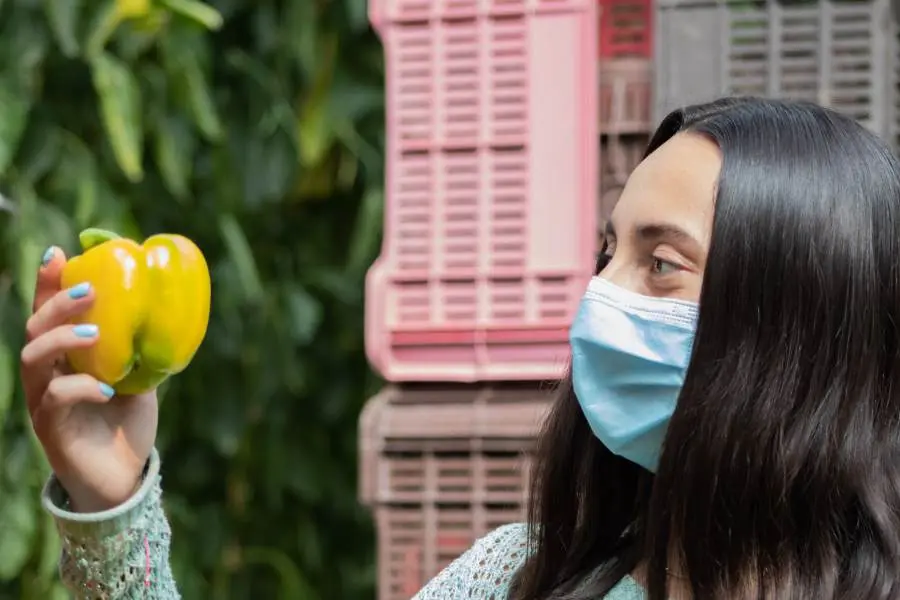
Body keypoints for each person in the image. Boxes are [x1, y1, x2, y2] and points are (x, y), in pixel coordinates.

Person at [23, 96, 900, 599]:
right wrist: (115, 504)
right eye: (608, 253)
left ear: (795, 332)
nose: (601, 295)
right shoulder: (518, 576)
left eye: (660, 264)